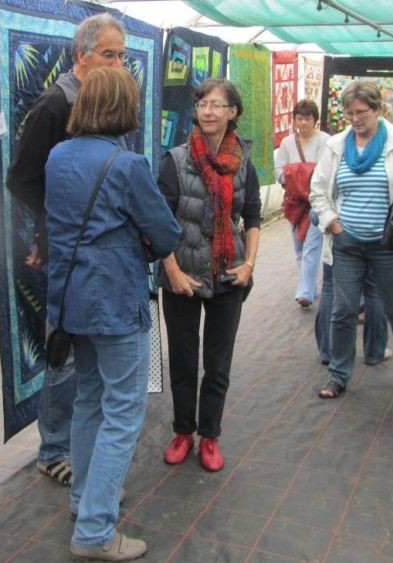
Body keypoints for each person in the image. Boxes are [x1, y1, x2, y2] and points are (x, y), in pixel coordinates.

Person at [45, 66, 181, 562]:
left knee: (89, 400)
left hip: (71, 298)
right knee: (123, 411)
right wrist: (138, 239)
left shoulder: (58, 156)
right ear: (125, 108)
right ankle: (95, 530)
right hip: (117, 299)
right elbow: (165, 234)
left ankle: (85, 501)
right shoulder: (128, 165)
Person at [6, 13, 127, 486]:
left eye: (121, 56)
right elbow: (22, 178)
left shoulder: (104, 101)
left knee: (90, 351)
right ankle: (53, 448)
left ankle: (78, 438)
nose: (117, 64)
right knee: (66, 353)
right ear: (82, 55)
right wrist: (52, 223)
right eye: (109, 55)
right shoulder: (55, 106)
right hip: (68, 251)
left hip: (100, 251)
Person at [157, 78, 261, 472]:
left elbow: (252, 215)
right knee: (183, 359)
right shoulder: (175, 160)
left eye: (217, 105)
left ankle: (210, 435)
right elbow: (158, 221)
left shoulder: (242, 161)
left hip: (228, 274)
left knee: (218, 363)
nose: (208, 111)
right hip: (182, 275)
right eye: (202, 104)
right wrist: (172, 270)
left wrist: (249, 265)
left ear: (233, 112)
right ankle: (183, 431)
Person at [309, 80, 393, 399]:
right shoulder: (337, 145)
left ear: (377, 109)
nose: (355, 119)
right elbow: (318, 190)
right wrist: (334, 224)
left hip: (388, 246)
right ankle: (338, 375)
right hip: (347, 244)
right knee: (343, 311)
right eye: (350, 113)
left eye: (361, 112)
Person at [274, 100, 330, 307]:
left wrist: (296, 172)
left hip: (316, 202)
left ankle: (305, 291)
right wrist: (297, 176)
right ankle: (309, 286)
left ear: (315, 120)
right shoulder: (287, 143)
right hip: (295, 203)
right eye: (299, 118)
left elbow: (323, 171)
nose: (303, 122)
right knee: (299, 247)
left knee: (312, 245)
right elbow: (279, 171)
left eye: (308, 118)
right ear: (294, 120)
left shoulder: (325, 141)